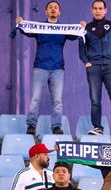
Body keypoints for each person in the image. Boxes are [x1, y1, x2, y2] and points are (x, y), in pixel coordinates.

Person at [16, 0, 81, 136]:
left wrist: (81, 27)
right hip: (40, 67)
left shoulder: (63, 29)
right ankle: (31, 126)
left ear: (59, 12)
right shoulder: (39, 27)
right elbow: (26, 30)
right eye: (50, 7)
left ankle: (56, 126)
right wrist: (20, 22)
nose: (53, 9)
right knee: (35, 99)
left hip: (58, 69)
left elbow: (76, 35)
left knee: (57, 101)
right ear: (46, 12)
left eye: (55, 7)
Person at [79, 0, 111, 135]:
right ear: (91, 10)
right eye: (95, 8)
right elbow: (81, 48)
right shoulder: (86, 28)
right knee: (95, 100)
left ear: (105, 10)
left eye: (100, 8)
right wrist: (86, 62)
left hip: (110, 68)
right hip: (93, 68)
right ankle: (98, 128)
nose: (98, 11)